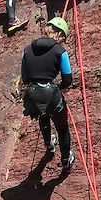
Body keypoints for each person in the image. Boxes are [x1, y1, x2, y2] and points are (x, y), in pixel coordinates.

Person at [20, 17, 75, 172]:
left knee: (43, 114)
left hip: (32, 94)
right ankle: (66, 160)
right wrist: (58, 88)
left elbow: (24, 77)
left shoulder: (27, 49)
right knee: (62, 128)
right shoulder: (60, 51)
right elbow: (68, 79)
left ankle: (49, 144)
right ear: (60, 34)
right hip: (51, 93)